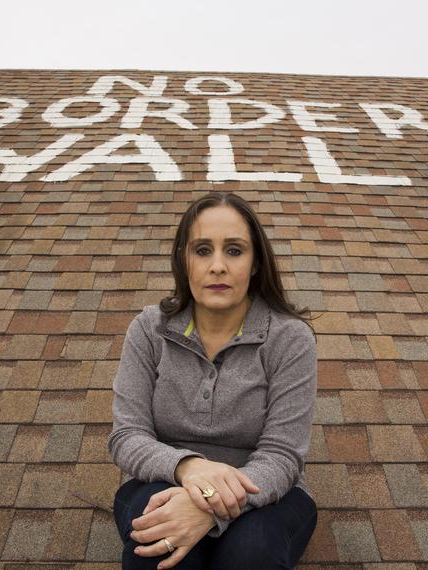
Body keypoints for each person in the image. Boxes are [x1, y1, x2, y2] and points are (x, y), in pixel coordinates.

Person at [109, 191, 319, 569]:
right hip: (161, 481)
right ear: (183, 259)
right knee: (158, 545)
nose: (217, 266)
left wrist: (208, 507)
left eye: (235, 251)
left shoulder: (289, 338)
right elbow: (127, 437)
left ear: (256, 263)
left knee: (250, 554)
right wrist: (191, 469)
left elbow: (282, 455)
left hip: (267, 492)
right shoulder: (148, 329)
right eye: (203, 250)